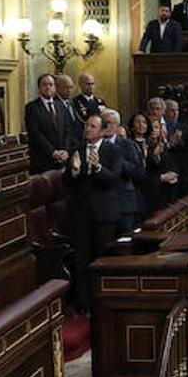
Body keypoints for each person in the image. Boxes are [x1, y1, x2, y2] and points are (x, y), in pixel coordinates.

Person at [65, 115, 124, 312]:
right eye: (86, 126)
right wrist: (73, 171)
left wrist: (98, 168)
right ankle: (84, 304)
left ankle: (104, 304)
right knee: (81, 261)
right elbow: (67, 182)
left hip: (104, 215)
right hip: (81, 215)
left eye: (92, 126)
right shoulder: (76, 150)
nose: (87, 129)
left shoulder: (113, 150)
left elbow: (115, 179)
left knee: (102, 259)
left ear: (102, 131)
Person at [25, 74, 73, 175]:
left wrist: (65, 151)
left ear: (55, 88)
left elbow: (68, 131)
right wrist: (54, 153)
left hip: (63, 160)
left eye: (51, 84)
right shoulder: (32, 108)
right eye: (44, 85)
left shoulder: (61, 106)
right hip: (43, 161)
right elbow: (36, 134)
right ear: (39, 88)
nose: (48, 87)